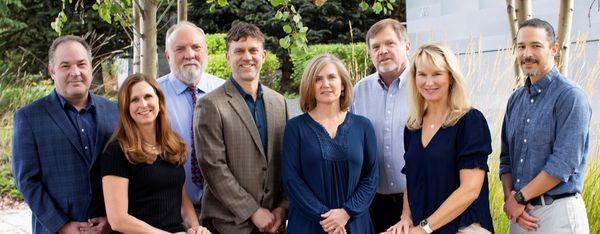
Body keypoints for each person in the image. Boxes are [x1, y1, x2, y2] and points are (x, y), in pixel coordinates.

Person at [12, 35, 117, 234]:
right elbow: (27, 180)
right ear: (52, 71)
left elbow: (129, 171)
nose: (75, 72)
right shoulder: (29, 117)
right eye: (65, 66)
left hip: (109, 229)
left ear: (91, 68)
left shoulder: (115, 112)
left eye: (81, 64)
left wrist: (114, 219)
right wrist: (61, 226)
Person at [386, 43, 494, 234]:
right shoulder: (413, 126)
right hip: (423, 228)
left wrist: (422, 229)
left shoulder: (469, 121)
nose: (429, 82)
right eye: (422, 74)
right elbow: (412, 180)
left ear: (451, 78)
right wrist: (405, 217)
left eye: (437, 74)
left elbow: (470, 190)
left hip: (463, 228)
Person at [195, 21, 288, 233]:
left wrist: (283, 207)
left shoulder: (279, 102)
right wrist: (253, 211)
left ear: (263, 55)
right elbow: (213, 167)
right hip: (230, 224)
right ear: (228, 57)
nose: (247, 57)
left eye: (253, 50)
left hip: (274, 222)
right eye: (239, 51)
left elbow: (287, 160)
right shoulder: (210, 104)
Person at [500, 18, 591, 234]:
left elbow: (563, 164)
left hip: (558, 214)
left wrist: (520, 197)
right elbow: (506, 160)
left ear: (554, 49)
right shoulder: (515, 100)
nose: (527, 53)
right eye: (521, 46)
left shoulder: (570, 96)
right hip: (521, 216)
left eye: (535, 46)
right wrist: (511, 200)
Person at [100, 74, 210, 234]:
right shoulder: (117, 151)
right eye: (134, 100)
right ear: (126, 108)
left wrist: (195, 228)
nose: (143, 104)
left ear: (159, 101)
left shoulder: (173, 144)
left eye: (148, 96)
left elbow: (182, 200)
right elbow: (118, 220)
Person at [282, 54, 379, 234]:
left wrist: (346, 213)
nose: (325, 84)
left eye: (332, 77)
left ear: (342, 85)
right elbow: (291, 180)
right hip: (309, 225)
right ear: (310, 87)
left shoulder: (363, 126)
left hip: (354, 224)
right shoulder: (295, 128)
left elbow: (371, 177)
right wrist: (327, 218)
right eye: (318, 79)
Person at [350, 18, 411, 233]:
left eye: (390, 44)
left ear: (406, 46)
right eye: (376, 47)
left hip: (415, 200)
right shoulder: (359, 91)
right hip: (371, 202)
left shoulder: (424, 85)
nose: (382, 51)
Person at [158, 21, 225, 214]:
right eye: (180, 48)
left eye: (196, 47)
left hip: (224, 210)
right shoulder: (152, 96)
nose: (190, 54)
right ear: (168, 55)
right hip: (172, 209)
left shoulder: (226, 91)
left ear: (206, 51)